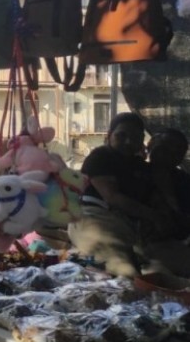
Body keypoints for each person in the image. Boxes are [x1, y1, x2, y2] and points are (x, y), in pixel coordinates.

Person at [68, 112, 190, 277]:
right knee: (126, 274)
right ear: (109, 136)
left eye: (135, 137)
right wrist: (154, 216)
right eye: (121, 135)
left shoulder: (144, 168)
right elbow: (112, 197)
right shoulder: (101, 156)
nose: (128, 141)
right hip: (96, 220)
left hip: (134, 232)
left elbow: (160, 202)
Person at [148, 128, 190, 223]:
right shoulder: (135, 170)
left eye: (177, 151)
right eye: (164, 148)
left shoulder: (184, 181)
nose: (169, 154)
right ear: (150, 145)